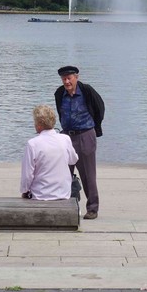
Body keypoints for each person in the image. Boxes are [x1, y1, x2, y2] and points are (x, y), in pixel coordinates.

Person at [54, 66, 105, 219]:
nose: (67, 81)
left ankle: (92, 208)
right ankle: (65, 205)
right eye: (64, 78)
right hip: (66, 137)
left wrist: (94, 128)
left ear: (76, 77)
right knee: (63, 173)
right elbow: (59, 111)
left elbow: (100, 108)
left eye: (69, 78)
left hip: (85, 134)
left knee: (88, 173)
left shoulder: (87, 91)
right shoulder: (59, 93)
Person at [20, 105, 79, 200]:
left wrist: (24, 191)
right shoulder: (65, 139)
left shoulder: (32, 144)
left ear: (38, 125)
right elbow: (73, 160)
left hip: (41, 194)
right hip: (63, 192)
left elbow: (27, 175)